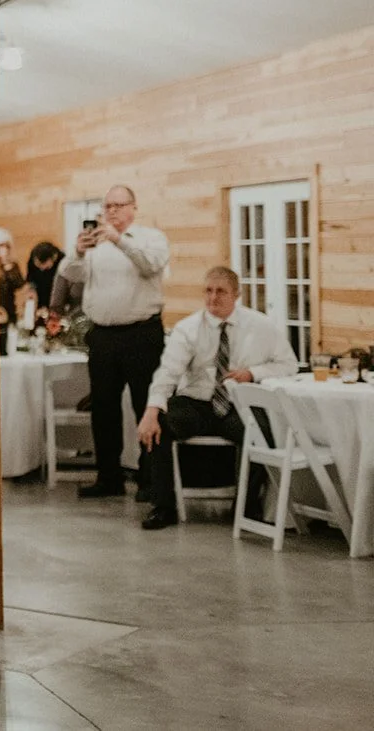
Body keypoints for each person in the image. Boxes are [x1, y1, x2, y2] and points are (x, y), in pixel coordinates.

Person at [136, 266, 298, 531]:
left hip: (238, 402)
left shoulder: (261, 326)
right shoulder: (187, 329)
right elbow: (169, 372)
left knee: (259, 431)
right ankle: (163, 506)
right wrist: (152, 410)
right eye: (208, 291)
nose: (213, 298)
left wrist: (252, 373)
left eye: (221, 292)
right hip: (196, 402)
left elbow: (288, 365)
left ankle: (246, 506)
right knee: (160, 426)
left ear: (237, 294)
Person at [60, 185, 169, 499]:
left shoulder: (151, 238)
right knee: (103, 409)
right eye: (107, 206)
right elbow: (71, 275)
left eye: (119, 206)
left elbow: (150, 265)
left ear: (133, 207)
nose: (112, 212)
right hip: (103, 335)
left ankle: (150, 480)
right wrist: (79, 250)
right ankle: (109, 477)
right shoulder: (97, 244)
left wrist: (120, 240)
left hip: (141, 334)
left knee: (145, 406)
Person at [26, 240, 64, 313]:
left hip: (57, 296)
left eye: (42, 265)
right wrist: (31, 290)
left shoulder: (63, 261)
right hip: (40, 295)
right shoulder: (33, 257)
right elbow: (31, 279)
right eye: (37, 266)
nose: (40, 269)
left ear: (53, 257)